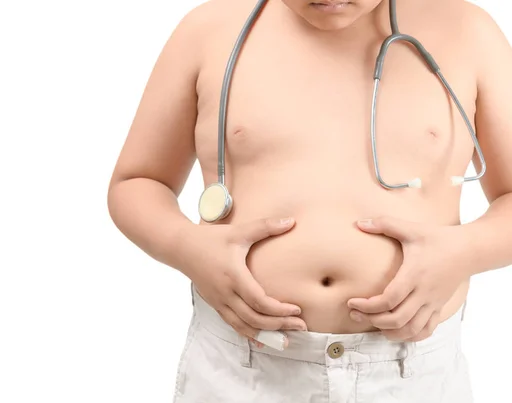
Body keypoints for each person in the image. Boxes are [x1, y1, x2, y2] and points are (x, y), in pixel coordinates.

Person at [108, 0, 512, 401]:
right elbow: (137, 182)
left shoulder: (468, 32)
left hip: (410, 375)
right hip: (240, 372)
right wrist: (188, 247)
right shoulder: (207, 31)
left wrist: (464, 252)